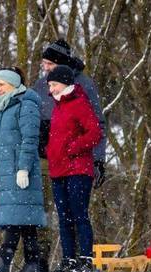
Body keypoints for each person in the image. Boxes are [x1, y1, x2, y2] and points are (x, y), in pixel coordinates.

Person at [0, 68, 47, 272]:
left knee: (17, 217)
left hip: (20, 169)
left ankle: (4, 263)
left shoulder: (25, 104)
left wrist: (23, 168)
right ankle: (32, 262)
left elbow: (29, 139)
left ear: (13, 84)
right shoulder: (3, 108)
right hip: (5, 170)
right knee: (22, 218)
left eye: (1, 84)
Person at [45, 64, 103, 272]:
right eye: (50, 85)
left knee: (79, 214)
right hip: (58, 169)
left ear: (65, 83)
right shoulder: (57, 107)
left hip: (78, 168)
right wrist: (50, 151)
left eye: (54, 84)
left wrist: (73, 147)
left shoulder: (79, 103)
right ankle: (68, 259)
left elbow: (95, 132)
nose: (51, 89)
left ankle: (85, 258)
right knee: (63, 217)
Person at [34, 39, 107, 184]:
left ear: (63, 65)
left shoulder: (84, 85)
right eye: (44, 63)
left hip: (75, 161)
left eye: (50, 64)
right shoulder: (40, 85)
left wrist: (98, 160)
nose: (46, 68)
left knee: (71, 205)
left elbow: (98, 125)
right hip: (44, 159)